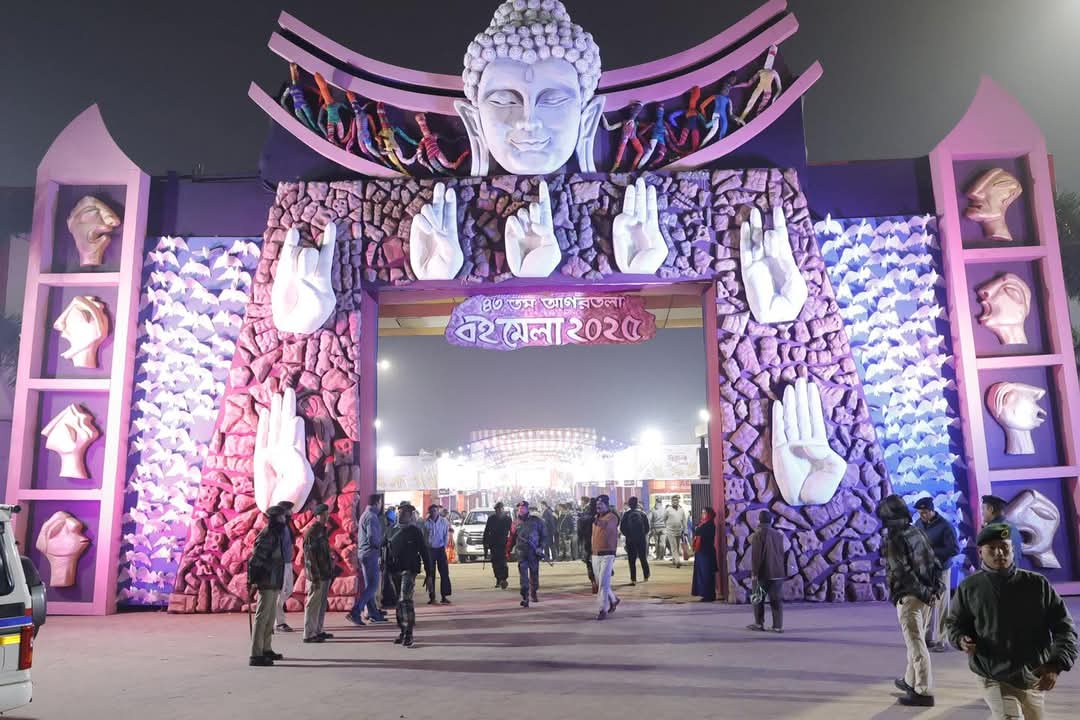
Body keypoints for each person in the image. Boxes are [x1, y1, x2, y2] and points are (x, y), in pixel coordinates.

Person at [947, 523, 1077, 719]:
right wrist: (960, 639)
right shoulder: (970, 588)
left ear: (1013, 550)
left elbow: (1064, 627)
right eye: (992, 548)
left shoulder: (1037, 584)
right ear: (980, 553)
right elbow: (954, 624)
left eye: (1004, 547)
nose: (999, 553)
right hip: (992, 675)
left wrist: (1055, 664)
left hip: (1033, 675)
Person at [876, 494, 944, 707]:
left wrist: (923, 592)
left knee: (916, 645)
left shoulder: (894, 539)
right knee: (916, 641)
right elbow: (933, 561)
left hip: (910, 597)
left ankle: (923, 691)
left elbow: (902, 572)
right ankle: (910, 680)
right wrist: (934, 589)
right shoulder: (916, 531)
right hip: (925, 595)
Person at [914, 497, 959, 652]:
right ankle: (926, 638)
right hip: (925, 570)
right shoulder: (919, 524)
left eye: (925, 512)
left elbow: (954, 549)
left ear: (932, 510)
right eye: (920, 513)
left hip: (941, 570)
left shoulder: (945, 526)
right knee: (926, 604)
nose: (922, 515)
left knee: (941, 606)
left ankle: (942, 640)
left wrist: (932, 552)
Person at [386, 504, 431, 648]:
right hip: (394, 570)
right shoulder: (390, 530)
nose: (402, 515)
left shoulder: (415, 531)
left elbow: (424, 552)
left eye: (405, 513)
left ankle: (409, 632)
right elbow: (383, 546)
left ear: (411, 515)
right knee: (398, 602)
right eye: (400, 512)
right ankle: (403, 630)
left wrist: (429, 574)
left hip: (409, 570)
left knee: (405, 600)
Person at [247, 505, 287, 666]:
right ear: (276, 519)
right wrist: (252, 580)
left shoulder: (275, 535)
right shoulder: (267, 535)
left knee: (270, 617)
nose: (285, 519)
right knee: (262, 616)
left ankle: (266, 648)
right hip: (266, 581)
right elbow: (255, 560)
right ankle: (256, 654)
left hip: (274, 580)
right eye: (282, 517)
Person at [349, 493, 387, 625]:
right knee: (373, 585)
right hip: (370, 554)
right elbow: (372, 538)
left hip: (364, 554)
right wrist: (380, 544)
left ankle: (373, 613)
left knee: (369, 585)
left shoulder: (365, 515)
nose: (381, 505)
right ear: (377, 503)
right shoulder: (372, 517)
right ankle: (355, 611)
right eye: (380, 503)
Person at [302, 502, 334, 643]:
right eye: (323, 514)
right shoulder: (312, 533)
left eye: (327, 514)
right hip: (316, 575)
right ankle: (309, 634)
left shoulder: (322, 531)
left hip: (324, 573)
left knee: (320, 604)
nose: (327, 517)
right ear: (317, 516)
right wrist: (314, 577)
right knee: (313, 604)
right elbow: (309, 557)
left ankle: (318, 630)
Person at [747, 510, 784, 631]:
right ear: (771, 520)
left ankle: (759, 623)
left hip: (763, 573)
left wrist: (754, 573)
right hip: (777, 573)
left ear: (759, 520)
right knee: (776, 600)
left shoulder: (758, 535)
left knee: (757, 598)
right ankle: (777, 626)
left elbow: (756, 556)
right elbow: (781, 554)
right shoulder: (778, 535)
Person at [508, 501, 546, 608]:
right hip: (521, 553)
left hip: (534, 553)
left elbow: (544, 535)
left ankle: (534, 591)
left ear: (527, 508)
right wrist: (507, 551)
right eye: (519, 508)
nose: (521, 509)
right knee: (523, 576)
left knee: (534, 575)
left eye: (523, 508)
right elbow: (512, 538)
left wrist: (541, 547)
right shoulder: (515, 523)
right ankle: (525, 597)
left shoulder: (536, 521)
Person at [592, 495, 621, 620]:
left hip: (608, 554)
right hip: (595, 554)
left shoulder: (612, 517)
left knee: (603, 584)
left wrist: (593, 520)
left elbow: (605, 525)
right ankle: (613, 600)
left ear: (606, 505)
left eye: (600, 504)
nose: (598, 506)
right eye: (597, 504)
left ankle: (602, 609)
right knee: (601, 582)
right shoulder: (596, 517)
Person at [273, 501, 296, 633]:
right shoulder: (278, 528)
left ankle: (276, 616)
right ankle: (279, 622)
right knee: (281, 591)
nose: (291, 512)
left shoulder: (287, 525)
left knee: (288, 590)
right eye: (289, 510)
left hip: (287, 562)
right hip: (281, 563)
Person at [423, 504, 452, 604]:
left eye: (435, 511)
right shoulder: (426, 523)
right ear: (429, 512)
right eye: (432, 511)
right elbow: (424, 537)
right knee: (430, 574)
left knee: (444, 573)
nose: (434, 513)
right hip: (430, 550)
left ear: (438, 511)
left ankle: (444, 596)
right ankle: (432, 597)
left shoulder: (444, 522)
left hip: (440, 549)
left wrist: (444, 547)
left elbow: (446, 535)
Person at [619, 497, 650, 585]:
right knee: (643, 558)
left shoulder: (626, 514)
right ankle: (646, 575)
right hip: (641, 540)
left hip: (630, 540)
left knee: (631, 560)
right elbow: (647, 528)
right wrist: (642, 535)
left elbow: (622, 528)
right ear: (637, 504)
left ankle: (633, 579)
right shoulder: (642, 514)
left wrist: (628, 535)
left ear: (629, 504)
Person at [691, 507, 718, 602]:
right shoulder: (703, 524)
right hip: (701, 552)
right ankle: (704, 594)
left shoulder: (710, 525)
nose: (703, 515)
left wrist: (697, 529)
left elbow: (700, 532)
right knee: (702, 574)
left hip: (706, 553)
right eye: (702, 513)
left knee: (706, 574)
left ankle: (708, 595)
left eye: (705, 513)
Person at [483, 502, 512, 589]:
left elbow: (512, 532)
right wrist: (485, 543)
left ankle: (504, 578)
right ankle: (498, 579)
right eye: (496, 509)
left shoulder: (507, 519)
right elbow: (486, 531)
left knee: (503, 562)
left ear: (503, 509)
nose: (498, 511)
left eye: (500, 509)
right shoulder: (491, 519)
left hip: (503, 544)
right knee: (495, 563)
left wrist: (511, 544)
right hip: (494, 544)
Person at [379, 505, 398, 611]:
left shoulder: (388, 529)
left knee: (387, 579)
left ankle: (388, 600)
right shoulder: (393, 529)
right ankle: (390, 600)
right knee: (389, 579)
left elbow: (382, 543)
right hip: (390, 558)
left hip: (388, 557)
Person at [577, 497, 598, 592]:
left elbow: (580, 532)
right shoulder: (601, 515)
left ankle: (593, 581)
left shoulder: (584, 516)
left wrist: (581, 541)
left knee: (589, 563)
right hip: (600, 544)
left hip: (588, 542)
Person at [664, 495, 688, 568]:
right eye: (673, 500)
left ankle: (674, 559)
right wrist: (667, 527)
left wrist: (685, 530)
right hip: (670, 531)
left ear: (678, 501)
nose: (675, 502)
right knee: (674, 546)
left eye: (676, 500)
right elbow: (664, 519)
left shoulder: (681, 509)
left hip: (679, 531)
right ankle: (678, 561)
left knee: (677, 546)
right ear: (671, 501)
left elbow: (684, 520)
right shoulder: (668, 509)